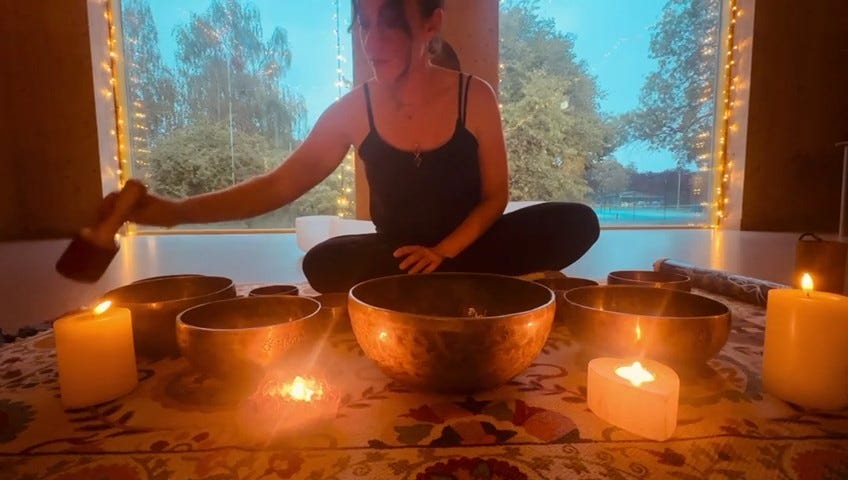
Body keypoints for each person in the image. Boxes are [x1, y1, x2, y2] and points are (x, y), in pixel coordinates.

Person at [115, 0, 600, 293]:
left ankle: (443, 280)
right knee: (323, 263)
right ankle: (471, 286)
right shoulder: (352, 110)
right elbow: (279, 185)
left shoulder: (475, 96)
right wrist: (174, 211)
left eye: (389, 22)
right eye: (364, 24)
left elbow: (495, 197)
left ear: (431, 23)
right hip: (397, 255)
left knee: (577, 221)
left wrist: (444, 251)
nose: (372, 40)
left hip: (471, 244)